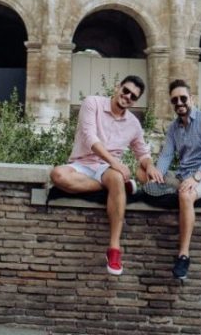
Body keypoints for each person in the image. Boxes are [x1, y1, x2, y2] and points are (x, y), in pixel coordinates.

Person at [50, 75, 160, 276]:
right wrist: (115, 162)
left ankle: (114, 249)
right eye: (125, 91)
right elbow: (90, 137)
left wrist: (150, 166)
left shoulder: (133, 123)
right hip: (83, 163)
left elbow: (142, 153)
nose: (127, 97)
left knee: (116, 177)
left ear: (135, 101)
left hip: (106, 170)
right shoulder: (92, 103)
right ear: (118, 87)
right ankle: (118, 188)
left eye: (133, 96)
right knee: (57, 175)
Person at [152, 79, 201, 280]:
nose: (179, 103)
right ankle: (164, 188)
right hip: (184, 175)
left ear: (192, 99)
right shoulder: (174, 127)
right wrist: (156, 174)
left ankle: (183, 255)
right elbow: (166, 155)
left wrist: (195, 177)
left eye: (183, 98)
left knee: (185, 194)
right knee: (143, 171)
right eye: (175, 100)